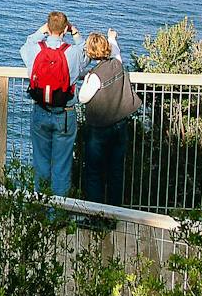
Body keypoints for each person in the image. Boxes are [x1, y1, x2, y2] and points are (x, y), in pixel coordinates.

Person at [20, 11, 86, 197]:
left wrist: (43, 30)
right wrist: (75, 34)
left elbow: (26, 44)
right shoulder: (72, 52)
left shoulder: (35, 49)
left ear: (48, 28)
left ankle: (40, 207)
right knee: (62, 165)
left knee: (41, 162)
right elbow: (85, 51)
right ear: (65, 28)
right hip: (64, 114)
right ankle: (57, 215)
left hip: (40, 111)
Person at [78, 28, 140, 207]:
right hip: (119, 125)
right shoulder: (117, 64)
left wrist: (86, 78)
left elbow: (83, 98)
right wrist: (112, 38)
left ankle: (95, 214)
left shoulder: (94, 76)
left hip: (99, 129)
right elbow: (117, 51)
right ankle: (115, 212)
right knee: (116, 171)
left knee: (94, 173)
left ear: (90, 53)